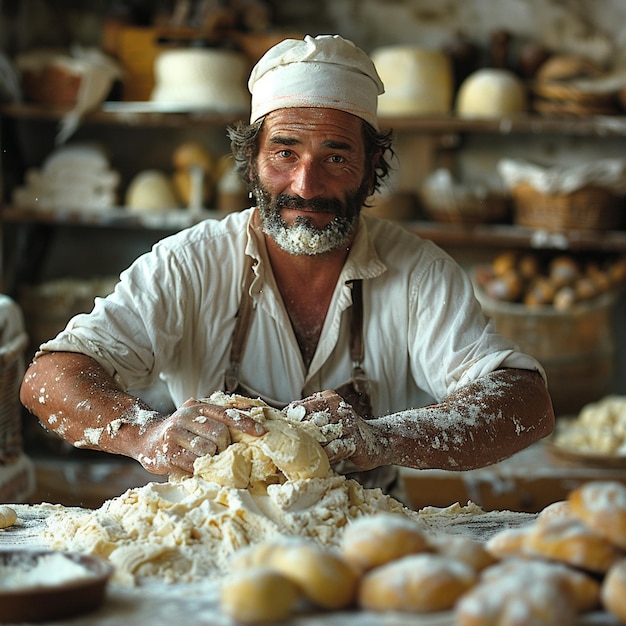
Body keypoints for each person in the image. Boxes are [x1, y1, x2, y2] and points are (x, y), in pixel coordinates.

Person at [20, 34, 554, 490]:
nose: (306, 185)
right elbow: (51, 376)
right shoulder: (189, 264)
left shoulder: (419, 272)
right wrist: (146, 433)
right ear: (251, 163)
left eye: (337, 157)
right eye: (285, 153)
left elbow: (526, 405)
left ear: (371, 172)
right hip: (213, 538)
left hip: (362, 543)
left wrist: (380, 438)